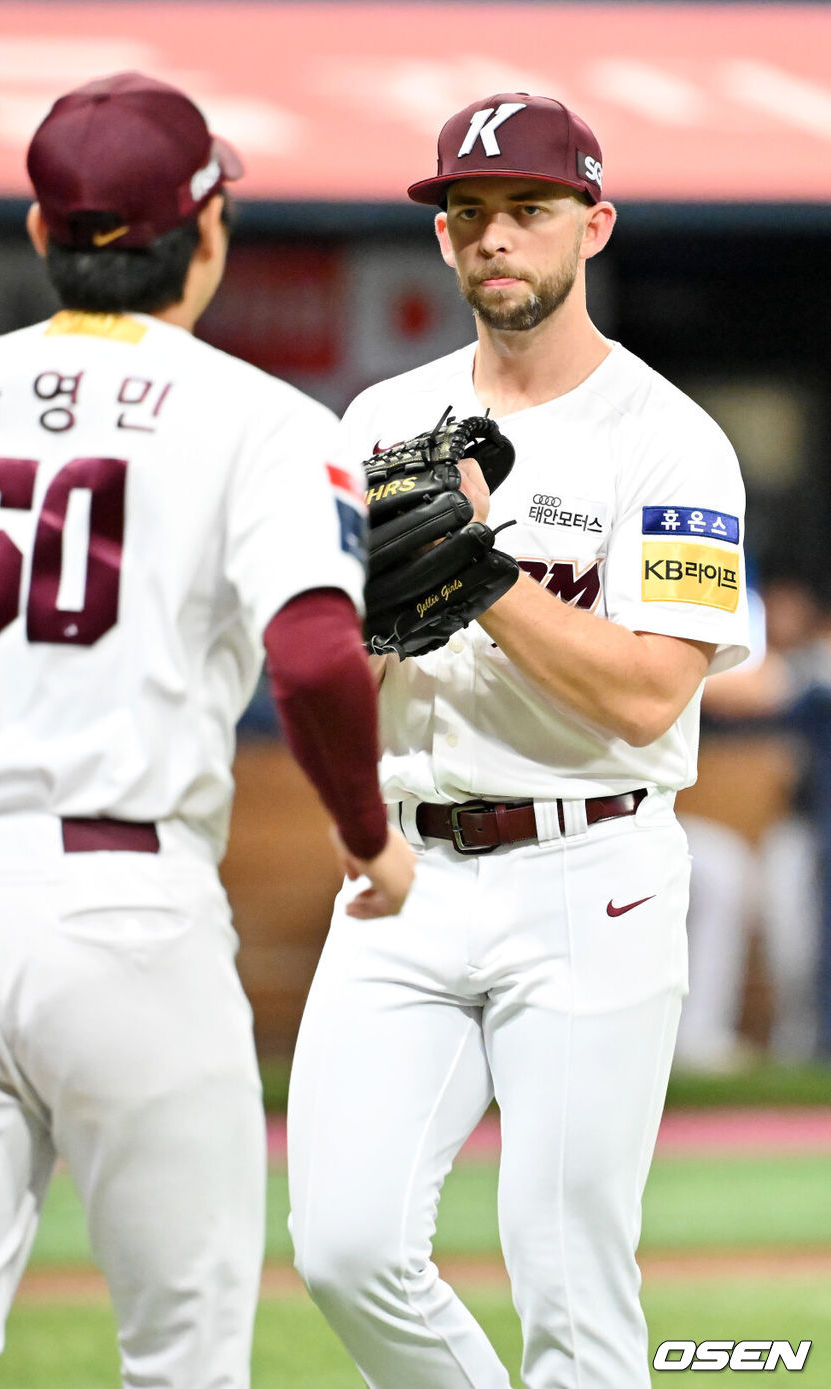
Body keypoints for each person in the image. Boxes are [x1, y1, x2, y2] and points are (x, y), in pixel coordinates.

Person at [0, 71, 413, 1389]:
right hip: (121, 905)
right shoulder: (258, 418)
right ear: (206, 236)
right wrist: (369, 836)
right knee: (182, 1358)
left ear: (42, 236)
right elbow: (314, 658)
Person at [286, 92, 751, 1389]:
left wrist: (479, 571)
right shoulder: (377, 418)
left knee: (568, 1283)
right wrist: (362, 632)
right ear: (443, 240)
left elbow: (652, 694)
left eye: (530, 210)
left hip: (587, 870)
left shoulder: (673, 441)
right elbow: (328, 655)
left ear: (592, 223)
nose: (496, 235)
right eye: (468, 212)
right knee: (342, 1243)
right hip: (404, 868)